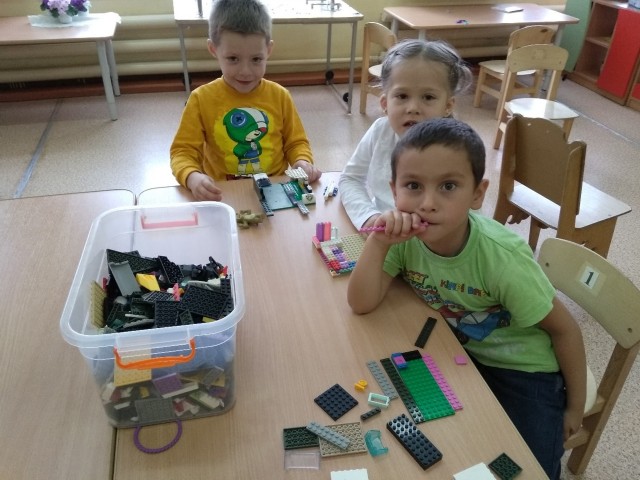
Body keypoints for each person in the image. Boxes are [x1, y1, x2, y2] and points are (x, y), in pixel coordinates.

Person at [347, 118, 587, 480]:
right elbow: (361, 303)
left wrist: (574, 407)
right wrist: (378, 243)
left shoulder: (503, 259)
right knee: (449, 446)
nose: (427, 204)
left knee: (531, 467)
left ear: (477, 193)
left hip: (526, 371)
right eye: (413, 186)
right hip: (462, 354)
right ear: (393, 190)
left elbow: (565, 330)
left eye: (448, 186)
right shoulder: (404, 239)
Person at [170, 0, 321, 201]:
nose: (245, 71)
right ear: (213, 49)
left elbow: (296, 143)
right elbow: (183, 151)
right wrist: (192, 177)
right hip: (223, 194)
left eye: (256, 59)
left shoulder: (280, 96)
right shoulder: (201, 99)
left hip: (276, 192)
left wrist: (301, 162)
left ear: (268, 50)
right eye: (233, 59)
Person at [339, 39, 473, 230]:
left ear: (448, 105)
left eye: (428, 97)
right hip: (384, 232)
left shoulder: (458, 149)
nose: (413, 108)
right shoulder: (381, 131)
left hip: (433, 239)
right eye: (402, 96)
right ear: (385, 103)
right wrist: (368, 217)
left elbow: (464, 212)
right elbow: (350, 179)